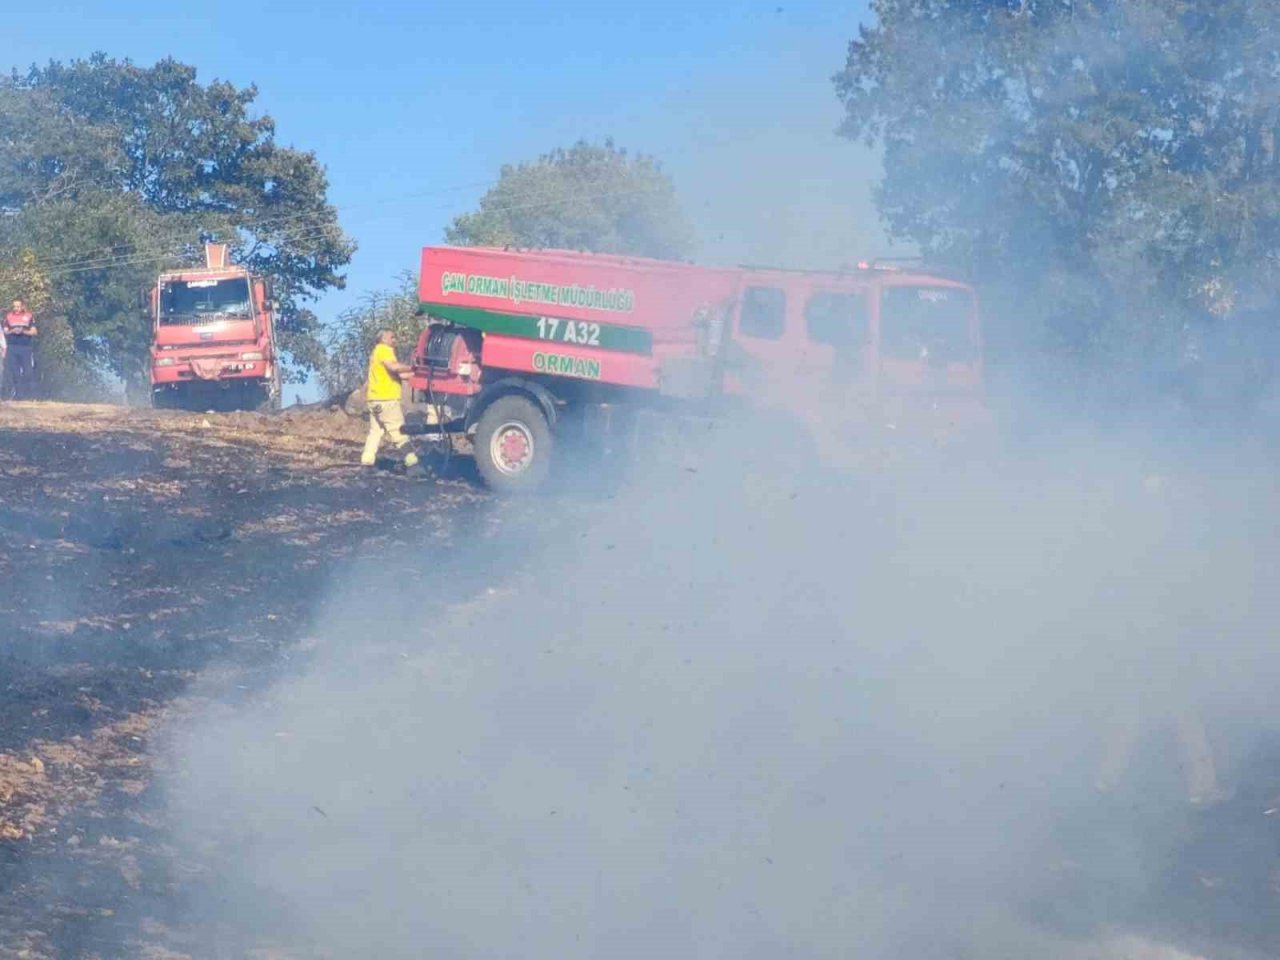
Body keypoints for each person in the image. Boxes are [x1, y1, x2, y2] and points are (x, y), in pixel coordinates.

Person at [361, 328, 420, 471]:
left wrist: (415, 374)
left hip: (374, 399)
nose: (395, 340)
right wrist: (414, 367)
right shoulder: (384, 350)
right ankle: (413, 464)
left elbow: (397, 375)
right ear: (383, 339)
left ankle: (367, 463)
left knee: (375, 432)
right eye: (392, 337)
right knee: (399, 432)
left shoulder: (375, 353)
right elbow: (394, 367)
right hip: (386, 399)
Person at [3, 299, 38, 400]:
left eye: (18, 306)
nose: (16, 309)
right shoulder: (9, 317)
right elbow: (5, 332)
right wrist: (12, 331)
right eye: (14, 306)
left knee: (28, 371)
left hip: (25, 347)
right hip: (12, 347)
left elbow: (34, 331)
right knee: (15, 372)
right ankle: (19, 396)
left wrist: (23, 331)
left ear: (22, 306)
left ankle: (32, 396)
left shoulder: (29, 316)